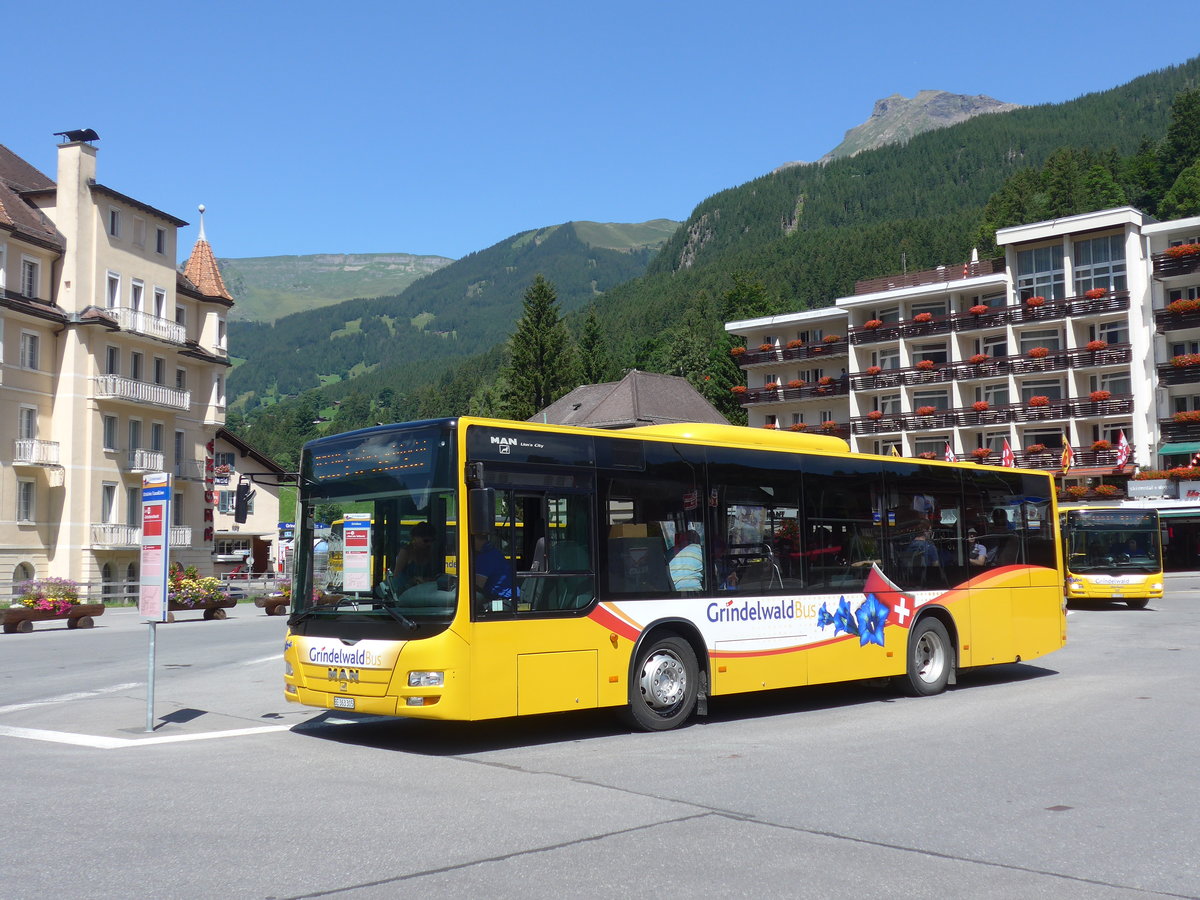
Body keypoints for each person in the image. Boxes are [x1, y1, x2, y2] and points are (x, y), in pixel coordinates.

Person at [473, 531, 516, 610]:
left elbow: (477, 586)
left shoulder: (486, 557)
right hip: (505, 598)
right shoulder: (492, 552)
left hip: (502, 602)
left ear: (475, 539)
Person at [394, 522, 437, 587]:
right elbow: (396, 577)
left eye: (432, 541)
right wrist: (413, 581)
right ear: (415, 538)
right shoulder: (405, 552)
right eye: (426, 541)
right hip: (406, 592)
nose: (429, 544)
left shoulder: (429, 552)